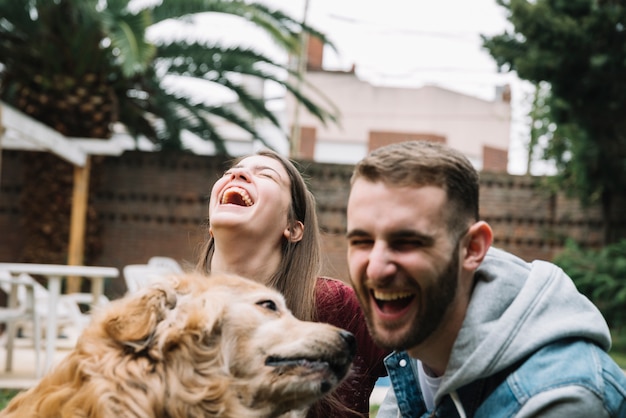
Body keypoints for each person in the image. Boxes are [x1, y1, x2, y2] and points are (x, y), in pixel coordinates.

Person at [345, 140, 626, 418]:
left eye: (407, 241)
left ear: (473, 248)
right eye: (361, 241)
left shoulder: (559, 399)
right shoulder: (422, 340)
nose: (375, 269)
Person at [196, 149, 388, 417]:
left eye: (266, 175)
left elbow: (425, 365)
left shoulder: (335, 305)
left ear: (293, 228)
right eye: (229, 174)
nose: (237, 175)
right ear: (211, 225)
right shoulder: (174, 317)